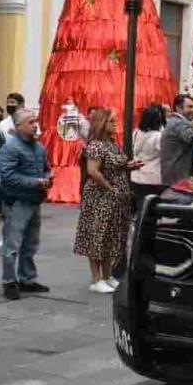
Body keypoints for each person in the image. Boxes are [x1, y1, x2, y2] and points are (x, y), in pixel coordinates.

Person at [75, 108, 139, 293]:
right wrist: (111, 189)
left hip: (116, 198)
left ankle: (106, 275)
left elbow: (114, 164)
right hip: (100, 198)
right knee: (98, 236)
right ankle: (96, 279)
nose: (115, 124)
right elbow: (93, 171)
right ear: (102, 124)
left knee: (112, 236)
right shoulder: (95, 145)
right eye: (111, 121)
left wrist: (128, 165)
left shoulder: (111, 144)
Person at [0, 108, 53, 301]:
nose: (35, 124)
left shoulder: (38, 147)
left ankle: (27, 279)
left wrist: (47, 178)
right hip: (18, 201)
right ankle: (9, 281)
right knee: (12, 243)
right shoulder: (11, 147)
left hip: (34, 199)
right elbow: (7, 176)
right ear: (18, 126)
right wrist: (36, 182)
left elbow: (46, 168)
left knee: (31, 243)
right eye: (30, 121)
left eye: (35, 120)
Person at [160, 94, 193, 184]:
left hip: (174, 176)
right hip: (178, 178)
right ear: (178, 108)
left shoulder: (175, 122)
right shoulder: (179, 123)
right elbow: (190, 137)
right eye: (190, 107)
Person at [130, 105, 165, 209]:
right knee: (151, 209)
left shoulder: (135, 133)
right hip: (153, 177)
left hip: (136, 176)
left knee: (140, 208)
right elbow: (164, 153)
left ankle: (138, 225)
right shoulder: (158, 136)